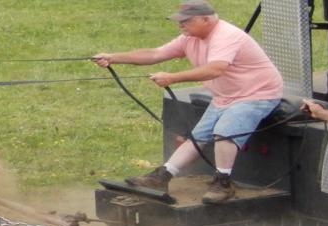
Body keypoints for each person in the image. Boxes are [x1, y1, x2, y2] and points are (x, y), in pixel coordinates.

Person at [92, 1, 284, 204]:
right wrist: (114, 57)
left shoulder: (226, 36)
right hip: (225, 95)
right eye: (179, 21)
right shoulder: (190, 38)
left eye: (186, 21)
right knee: (197, 136)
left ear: (206, 19)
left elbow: (215, 69)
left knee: (225, 131)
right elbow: (156, 53)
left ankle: (223, 183)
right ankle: (163, 176)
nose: (181, 25)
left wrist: (173, 77)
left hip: (256, 94)